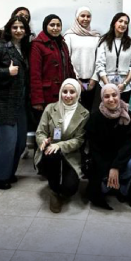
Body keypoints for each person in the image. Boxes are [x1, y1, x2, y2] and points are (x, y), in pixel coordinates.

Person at [0, 14, 32, 189]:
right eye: (15, 27)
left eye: (22, 27)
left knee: (21, 143)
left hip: (21, 104)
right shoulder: (1, 47)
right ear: (9, 29)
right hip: (3, 103)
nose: (18, 30)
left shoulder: (25, 49)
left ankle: (8, 173)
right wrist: (6, 72)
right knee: (7, 143)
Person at [85, 83, 131, 213]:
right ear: (102, 99)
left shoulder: (129, 115)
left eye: (114, 95)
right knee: (101, 188)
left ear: (119, 95)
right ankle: (111, 184)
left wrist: (115, 167)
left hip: (122, 157)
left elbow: (130, 144)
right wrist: (109, 168)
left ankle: (120, 187)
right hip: (102, 159)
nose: (111, 99)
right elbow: (95, 149)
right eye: (107, 96)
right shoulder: (95, 118)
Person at [35, 78, 90, 213]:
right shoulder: (50, 108)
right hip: (50, 153)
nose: (68, 95)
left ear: (78, 94)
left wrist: (59, 145)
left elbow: (78, 140)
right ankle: (53, 191)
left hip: (71, 154)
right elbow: (40, 132)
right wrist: (43, 141)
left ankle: (63, 184)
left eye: (72, 92)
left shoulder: (84, 114)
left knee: (69, 189)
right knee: (51, 153)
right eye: (64, 92)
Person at [30, 14, 76, 118]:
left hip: (64, 93)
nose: (55, 28)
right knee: (47, 124)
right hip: (47, 95)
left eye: (58, 25)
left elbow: (69, 67)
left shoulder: (62, 44)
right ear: (45, 26)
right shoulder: (37, 45)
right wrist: (37, 100)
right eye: (52, 25)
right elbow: (35, 74)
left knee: (62, 123)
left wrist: (75, 86)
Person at [94, 13, 131, 103]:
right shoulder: (104, 41)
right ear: (114, 23)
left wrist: (124, 83)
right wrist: (108, 85)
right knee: (105, 110)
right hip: (105, 83)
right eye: (120, 21)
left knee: (122, 110)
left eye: (126, 23)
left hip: (125, 87)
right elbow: (99, 64)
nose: (123, 24)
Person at [63, 6, 101, 109]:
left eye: (88, 16)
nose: (85, 18)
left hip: (92, 82)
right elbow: (67, 59)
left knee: (90, 111)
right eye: (82, 16)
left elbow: (99, 60)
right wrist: (76, 79)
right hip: (74, 80)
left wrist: (94, 79)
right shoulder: (69, 36)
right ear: (77, 17)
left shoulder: (96, 37)